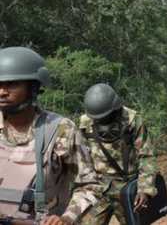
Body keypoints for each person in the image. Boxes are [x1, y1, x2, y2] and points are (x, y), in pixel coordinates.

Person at [0, 47, 101, 224]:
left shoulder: (60, 130)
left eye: (13, 84)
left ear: (33, 87)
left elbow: (90, 186)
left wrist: (66, 218)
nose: (2, 92)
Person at [79, 84, 158, 224]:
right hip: (98, 187)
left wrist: (144, 188)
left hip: (126, 187)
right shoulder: (86, 122)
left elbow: (147, 155)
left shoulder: (132, 120)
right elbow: (82, 156)